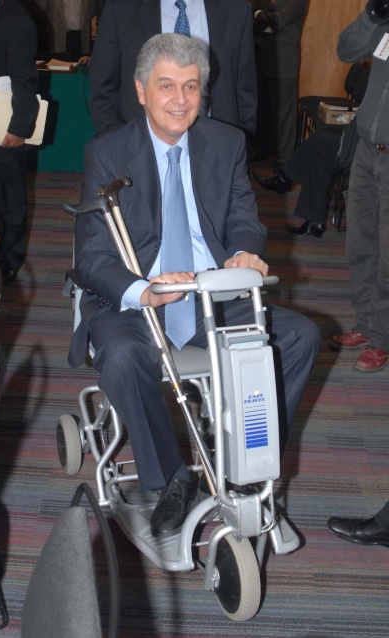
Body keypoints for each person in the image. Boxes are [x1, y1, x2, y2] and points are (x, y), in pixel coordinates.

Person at [69, 33, 321, 538]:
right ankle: (172, 480)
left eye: (191, 86)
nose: (180, 100)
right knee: (122, 354)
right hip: (139, 303)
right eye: (166, 86)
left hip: (212, 297)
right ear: (141, 90)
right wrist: (144, 290)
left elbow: (244, 218)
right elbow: (93, 256)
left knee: (300, 336)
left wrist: (244, 251)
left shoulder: (225, 143)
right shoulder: (107, 153)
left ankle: (245, 467)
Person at [88, 0, 257, 151]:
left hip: (218, 152)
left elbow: (245, 91)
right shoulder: (121, 9)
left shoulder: (236, 11)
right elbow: (103, 89)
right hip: (139, 152)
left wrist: (242, 148)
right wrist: (118, 147)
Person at [329, 0, 389, 373]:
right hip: (367, 150)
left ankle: (382, 337)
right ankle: (368, 324)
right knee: (361, 246)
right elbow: (347, 50)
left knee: (387, 257)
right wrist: (372, 15)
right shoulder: (384, 20)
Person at [0, 0, 39, 285]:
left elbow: (25, 77)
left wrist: (20, 125)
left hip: (3, 125)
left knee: (9, 198)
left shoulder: (16, 18)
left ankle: (8, 261)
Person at [252, 131, 344, 237]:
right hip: (354, 142)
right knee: (318, 162)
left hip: (357, 149)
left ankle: (283, 179)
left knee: (316, 140)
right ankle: (315, 223)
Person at [252, 0, 308, 166]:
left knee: (284, 116)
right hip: (261, 59)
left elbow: (279, 20)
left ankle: (285, 162)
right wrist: (264, 22)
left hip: (284, 64)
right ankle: (262, 150)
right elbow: (250, 20)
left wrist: (260, 16)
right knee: (262, 111)